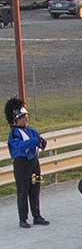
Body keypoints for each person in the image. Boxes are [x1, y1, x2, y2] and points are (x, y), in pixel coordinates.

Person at [5, 97, 49, 228]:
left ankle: (37, 215)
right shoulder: (13, 133)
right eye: (23, 117)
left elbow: (38, 140)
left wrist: (41, 142)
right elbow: (20, 146)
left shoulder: (31, 130)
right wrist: (35, 141)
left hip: (34, 162)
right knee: (23, 190)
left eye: (26, 116)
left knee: (35, 187)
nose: (26, 119)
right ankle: (23, 218)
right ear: (16, 119)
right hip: (22, 164)